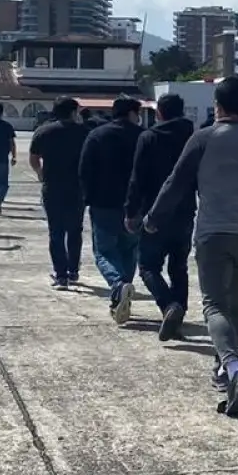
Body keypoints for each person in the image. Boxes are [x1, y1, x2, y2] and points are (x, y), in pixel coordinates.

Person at [144, 77, 238, 415]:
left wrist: (153, 218)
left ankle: (234, 369)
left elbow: (176, 182)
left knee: (213, 306)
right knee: (237, 302)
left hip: (213, 233)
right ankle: (223, 368)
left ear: (217, 106)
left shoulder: (204, 138)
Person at [125, 93, 195, 341]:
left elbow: (137, 178)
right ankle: (179, 314)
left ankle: (168, 306)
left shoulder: (149, 137)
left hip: (154, 213)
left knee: (148, 266)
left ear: (159, 113)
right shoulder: (193, 136)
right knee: (179, 266)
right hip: (185, 211)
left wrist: (131, 211)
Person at [79, 97, 144, 320]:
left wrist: (88, 197)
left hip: (103, 202)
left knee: (104, 251)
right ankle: (122, 293)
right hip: (135, 204)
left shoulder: (97, 135)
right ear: (133, 113)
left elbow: (84, 169)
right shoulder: (142, 136)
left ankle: (118, 286)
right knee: (129, 250)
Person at [30, 96, 90, 289]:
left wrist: (40, 173)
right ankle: (73, 270)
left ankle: (61, 274)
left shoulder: (44, 131)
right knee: (75, 230)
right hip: (77, 187)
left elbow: (34, 158)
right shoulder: (85, 132)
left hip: (52, 186)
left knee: (55, 231)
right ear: (73, 112)